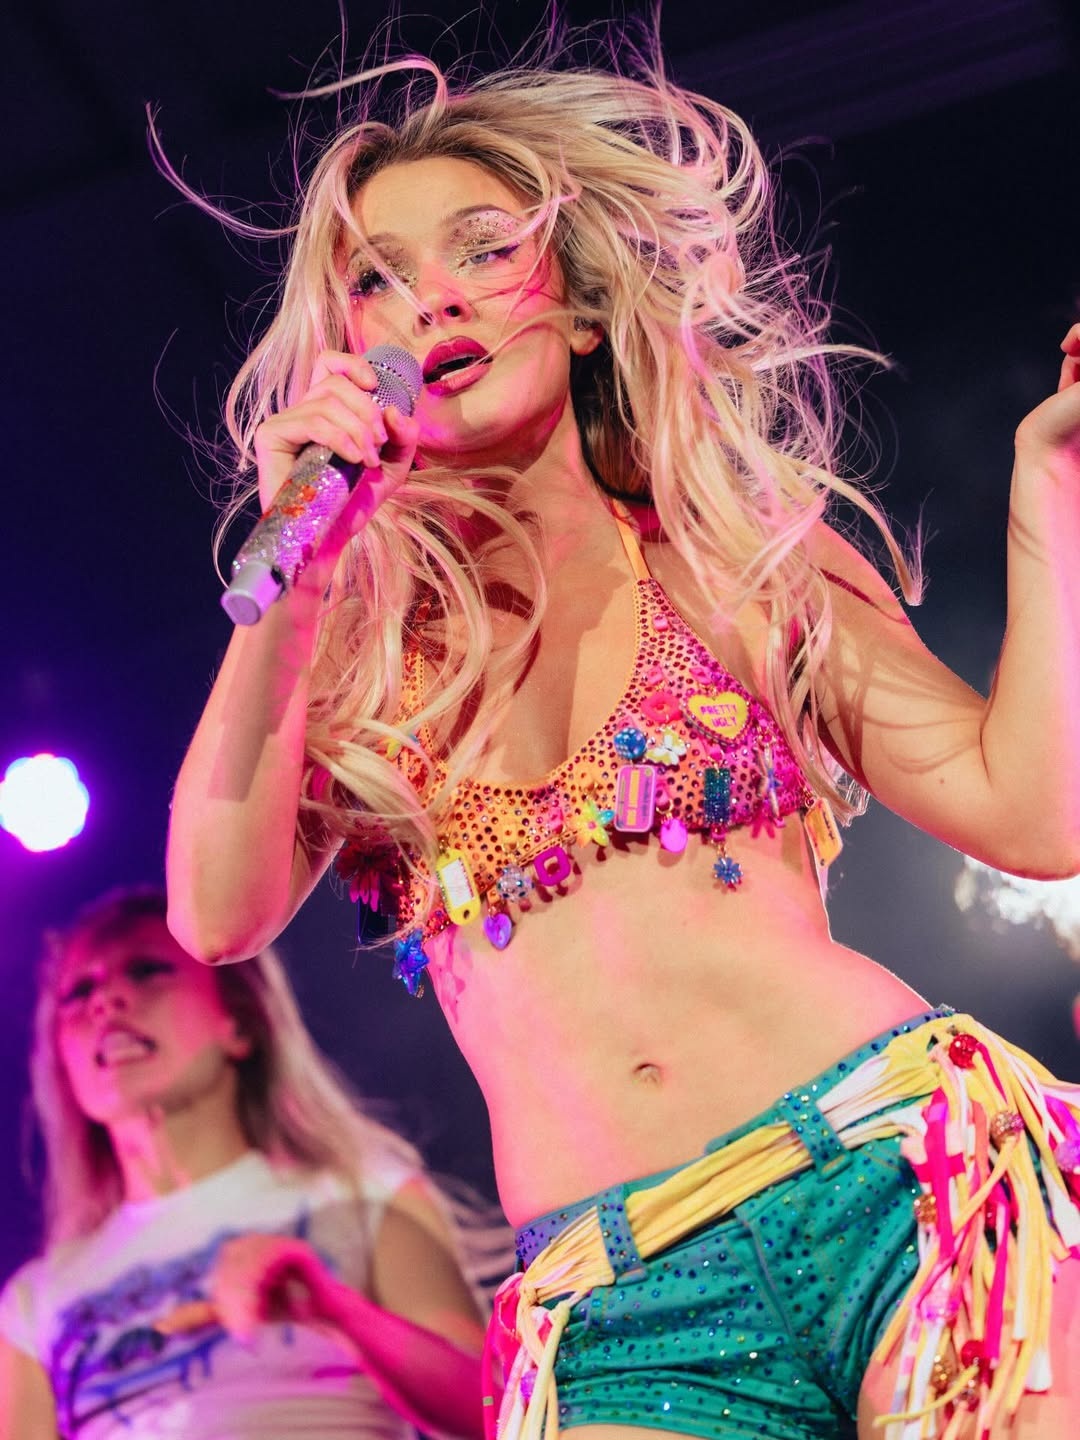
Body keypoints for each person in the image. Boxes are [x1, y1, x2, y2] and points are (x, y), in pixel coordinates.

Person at [162, 30, 1080, 1440]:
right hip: (620, 1305)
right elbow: (214, 915)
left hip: (900, 1177)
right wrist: (298, 583)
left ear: (582, 313)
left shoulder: (729, 563)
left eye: (483, 250)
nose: (432, 298)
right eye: (379, 279)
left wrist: (1052, 488)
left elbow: (1033, 812)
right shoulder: (354, 672)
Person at [0, 887, 490, 1439]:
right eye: (78, 991)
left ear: (237, 1023)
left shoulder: (365, 1197)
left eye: (146, 970)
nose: (105, 1001)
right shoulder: (35, 1300)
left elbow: (495, 1406)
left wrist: (337, 1313)